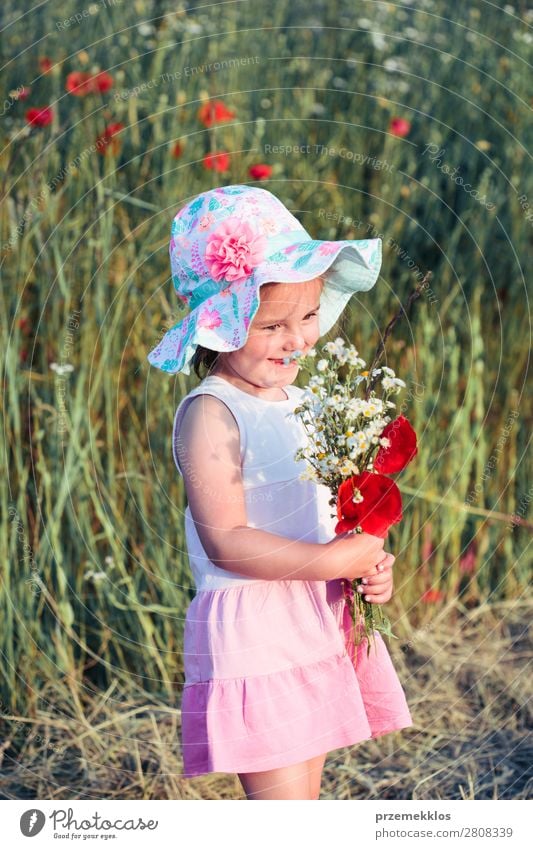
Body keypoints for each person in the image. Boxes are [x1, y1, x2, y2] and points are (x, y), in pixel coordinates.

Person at [147, 184, 413, 800]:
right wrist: (331, 560)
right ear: (219, 328)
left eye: (309, 316)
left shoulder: (305, 401)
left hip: (317, 612)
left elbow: (325, 512)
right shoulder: (212, 412)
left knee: (305, 800)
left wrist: (363, 564)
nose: (298, 339)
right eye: (271, 325)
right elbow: (227, 542)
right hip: (257, 629)